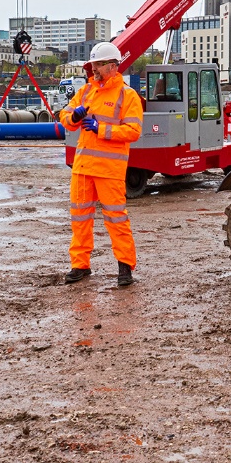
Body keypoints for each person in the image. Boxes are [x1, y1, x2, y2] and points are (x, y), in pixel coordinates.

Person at [59, 42, 143, 287]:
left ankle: (125, 267)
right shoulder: (86, 91)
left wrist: (101, 129)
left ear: (113, 66)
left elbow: (133, 130)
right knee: (79, 218)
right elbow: (65, 115)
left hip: (109, 170)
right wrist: (73, 117)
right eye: (93, 64)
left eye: (97, 64)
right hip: (83, 168)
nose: (93, 68)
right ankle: (80, 265)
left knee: (116, 220)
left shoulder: (128, 96)